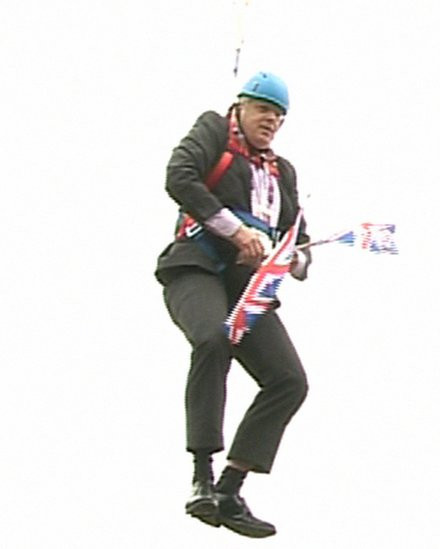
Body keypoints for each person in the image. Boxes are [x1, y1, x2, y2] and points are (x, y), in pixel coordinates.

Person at [154, 71, 312, 538]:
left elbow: (296, 236)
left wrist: (296, 257)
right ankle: (201, 476)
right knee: (212, 339)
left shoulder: (281, 171)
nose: (272, 122)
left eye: (279, 117)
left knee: (289, 380)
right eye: (265, 110)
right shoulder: (212, 131)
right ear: (241, 107)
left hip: (248, 286)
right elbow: (178, 177)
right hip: (197, 267)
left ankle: (230, 487)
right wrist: (234, 230)